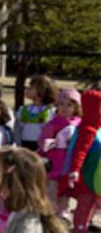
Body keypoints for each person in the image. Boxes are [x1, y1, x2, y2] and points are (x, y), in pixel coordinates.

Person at [63, 90, 101, 233]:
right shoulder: (88, 129)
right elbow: (80, 151)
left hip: (96, 175)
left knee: (92, 204)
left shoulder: (96, 127)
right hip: (87, 176)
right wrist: (75, 170)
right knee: (85, 204)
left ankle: (84, 229)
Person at [37, 88, 82, 222]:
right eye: (61, 104)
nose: (65, 108)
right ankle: (48, 216)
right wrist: (54, 142)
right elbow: (42, 143)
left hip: (69, 166)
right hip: (54, 165)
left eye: (69, 105)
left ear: (76, 107)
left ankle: (63, 213)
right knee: (51, 191)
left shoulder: (79, 123)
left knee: (66, 192)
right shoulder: (53, 123)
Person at [13, 74, 57, 151]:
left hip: (42, 147)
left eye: (31, 88)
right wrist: (18, 145)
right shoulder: (23, 110)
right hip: (24, 145)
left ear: (41, 91)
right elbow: (17, 129)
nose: (27, 89)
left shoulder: (52, 111)